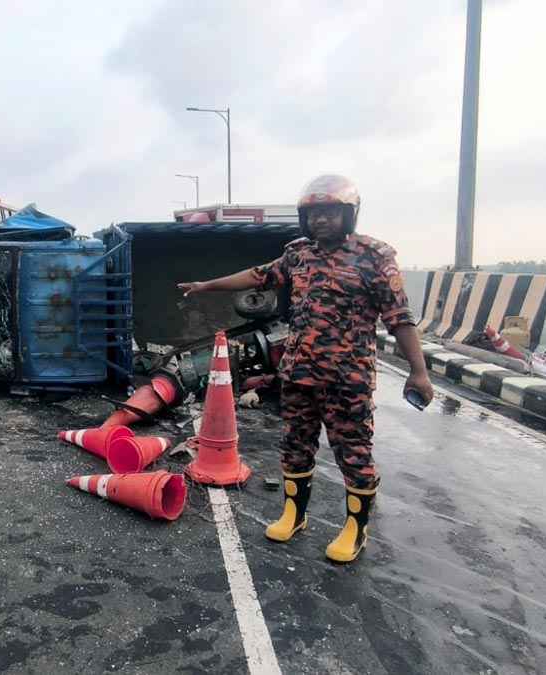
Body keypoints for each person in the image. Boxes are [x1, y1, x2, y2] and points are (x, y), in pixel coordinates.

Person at [178, 175, 433, 563]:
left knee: (353, 451)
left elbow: (399, 318)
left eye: (330, 213)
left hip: (348, 378)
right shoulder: (299, 254)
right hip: (298, 374)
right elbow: (258, 275)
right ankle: (295, 515)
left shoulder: (375, 256)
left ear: (349, 214)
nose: (321, 221)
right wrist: (207, 285)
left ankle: (355, 529)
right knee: (296, 446)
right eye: (313, 214)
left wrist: (419, 371)